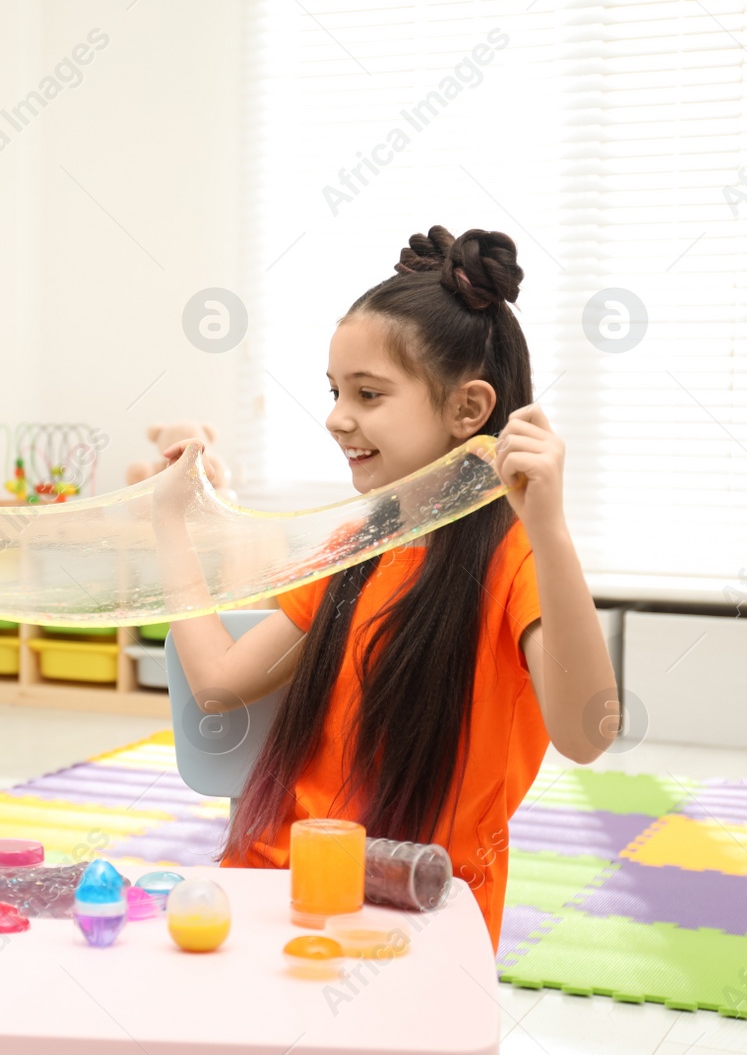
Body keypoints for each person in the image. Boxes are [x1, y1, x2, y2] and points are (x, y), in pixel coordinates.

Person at [160, 226, 618, 951]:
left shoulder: (514, 555)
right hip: (274, 892)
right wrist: (169, 521)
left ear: (468, 409)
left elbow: (587, 733)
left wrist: (551, 530)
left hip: (416, 918)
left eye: (369, 394)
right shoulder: (354, 550)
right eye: (337, 390)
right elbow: (218, 683)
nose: (339, 416)